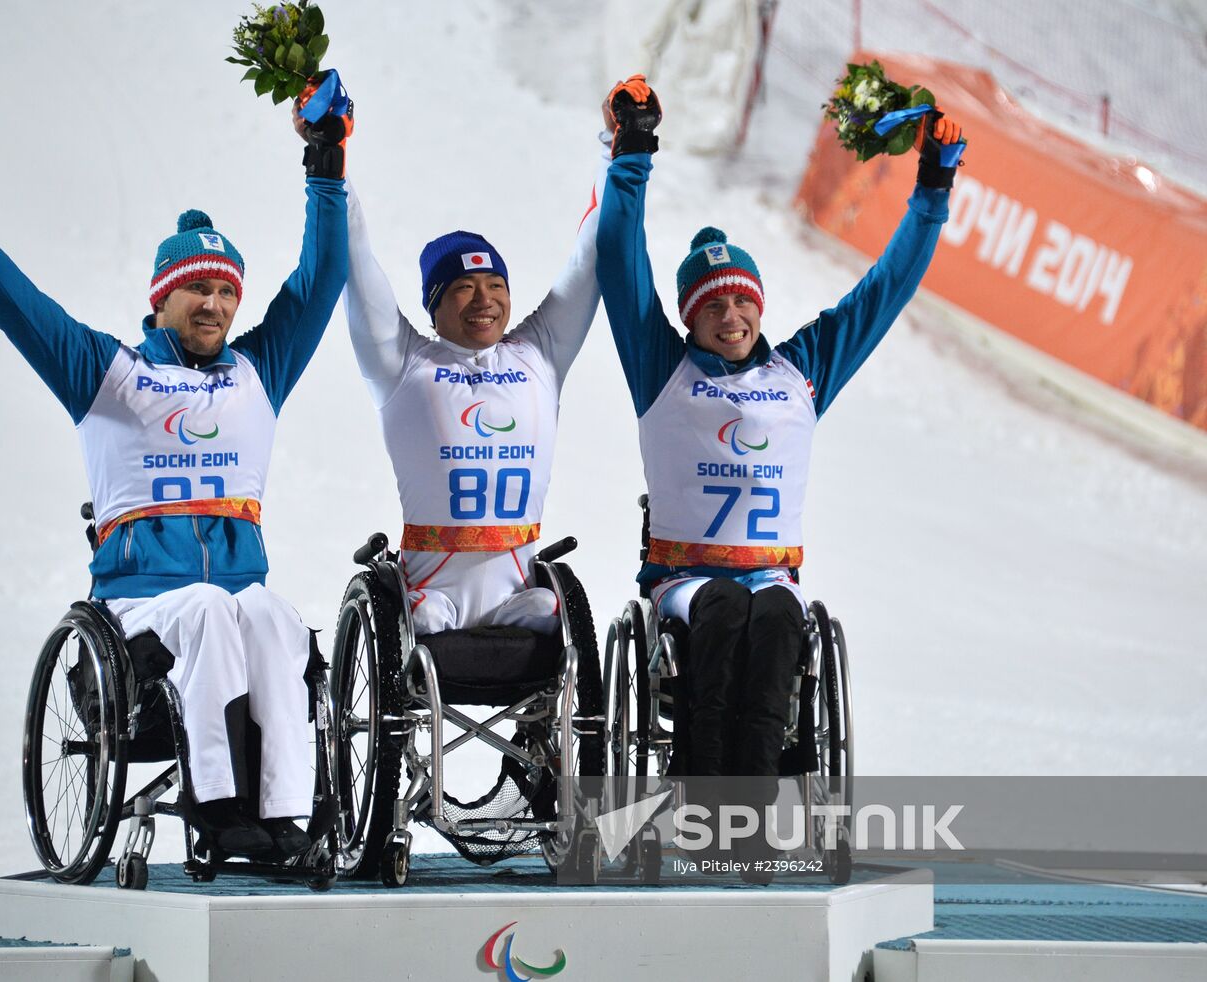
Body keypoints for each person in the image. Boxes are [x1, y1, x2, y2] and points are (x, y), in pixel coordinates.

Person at [0, 83, 354, 861]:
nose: (212, 304)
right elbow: (20, 305)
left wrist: (326, 163)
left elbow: (323, 278)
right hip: (137, 617)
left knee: (272, 614)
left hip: (229, 609)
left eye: (223, 290)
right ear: (162, 300)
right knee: (212, 607)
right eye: (195, 289)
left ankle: (283, 815)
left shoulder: (258, 372)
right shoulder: (107, 375)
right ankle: (217, 810)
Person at [596, 75, 965, 843]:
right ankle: (700, 803)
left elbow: (884, 290)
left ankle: (754, 810)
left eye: (742, 302)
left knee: (775, 616)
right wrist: (632, 151)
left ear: (759, 307)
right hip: (686, 581)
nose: (731, 316)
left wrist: (933, 185)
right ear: (690, 316)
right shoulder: (662, 367)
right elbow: (619, 262)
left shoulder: (798, 374)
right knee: (728, 609)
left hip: (771, 575)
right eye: (713, 306)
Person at [328, 112, 611, 637]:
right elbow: (354, 256)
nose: (485, 300)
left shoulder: (538, 355)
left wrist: (615, 151)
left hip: (517, 597)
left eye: (495, 284)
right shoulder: (403, 363)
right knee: (429, 618)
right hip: (431, 599)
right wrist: (330, 155)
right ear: (434, 306)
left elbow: (589, 257)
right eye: (463, 287)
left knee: (554, 613)